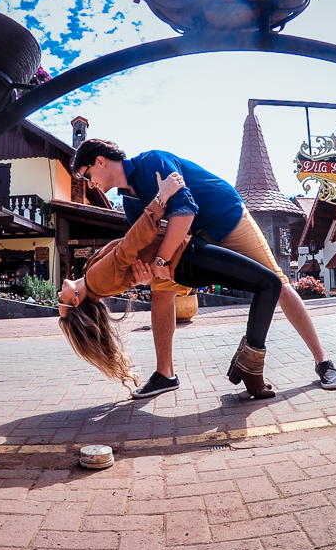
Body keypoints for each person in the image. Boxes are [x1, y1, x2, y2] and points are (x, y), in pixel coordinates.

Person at [70, 139, 336, 395]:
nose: (90, 184)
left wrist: (161, 261)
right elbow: (148, 239)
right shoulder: (129, 202)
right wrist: (146, 274)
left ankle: (323, 361)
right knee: (161, 292)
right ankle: (165, 374)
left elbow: (185, 211)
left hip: (227, 218)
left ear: (100, 161)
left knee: (279, 285)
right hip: (192, 238)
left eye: (87, 175)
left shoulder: (151, 162)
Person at [58, 171, 283, 400]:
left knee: (267, 283)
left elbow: (133, 260)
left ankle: (245, 366)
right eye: (60, 299)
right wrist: (161, 198)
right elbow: (129, 245)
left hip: (185, 257)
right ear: (75, 300)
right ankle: (250, 369)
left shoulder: (91, 275)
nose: (59, 292)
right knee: (270, 283)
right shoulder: (96, 281)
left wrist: (147, 276)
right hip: (187, 260)